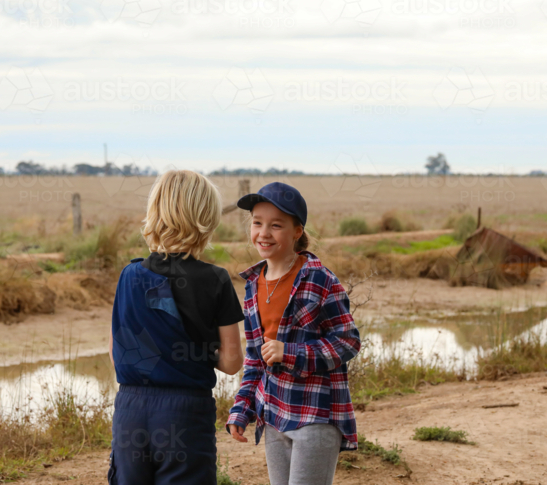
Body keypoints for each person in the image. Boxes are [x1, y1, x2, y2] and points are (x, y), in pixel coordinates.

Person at [107, 170, 244, 485]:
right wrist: (194, 351)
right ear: (207, 218)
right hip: (185, 412)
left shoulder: (129, 276)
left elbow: (116, 353)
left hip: (129, 409)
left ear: (155, 211)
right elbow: (231, 362)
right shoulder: (216, 279)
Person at [226, 181, 361, 485]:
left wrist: (290, 353)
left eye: (276, 225)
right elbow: (255, 358)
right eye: (257, 223)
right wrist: (242, 409)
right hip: (274, 414)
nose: (264, 233)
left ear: (297, 231)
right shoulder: (252, 285)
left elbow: (348, 341)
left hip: (315, 413)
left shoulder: (319, 279)